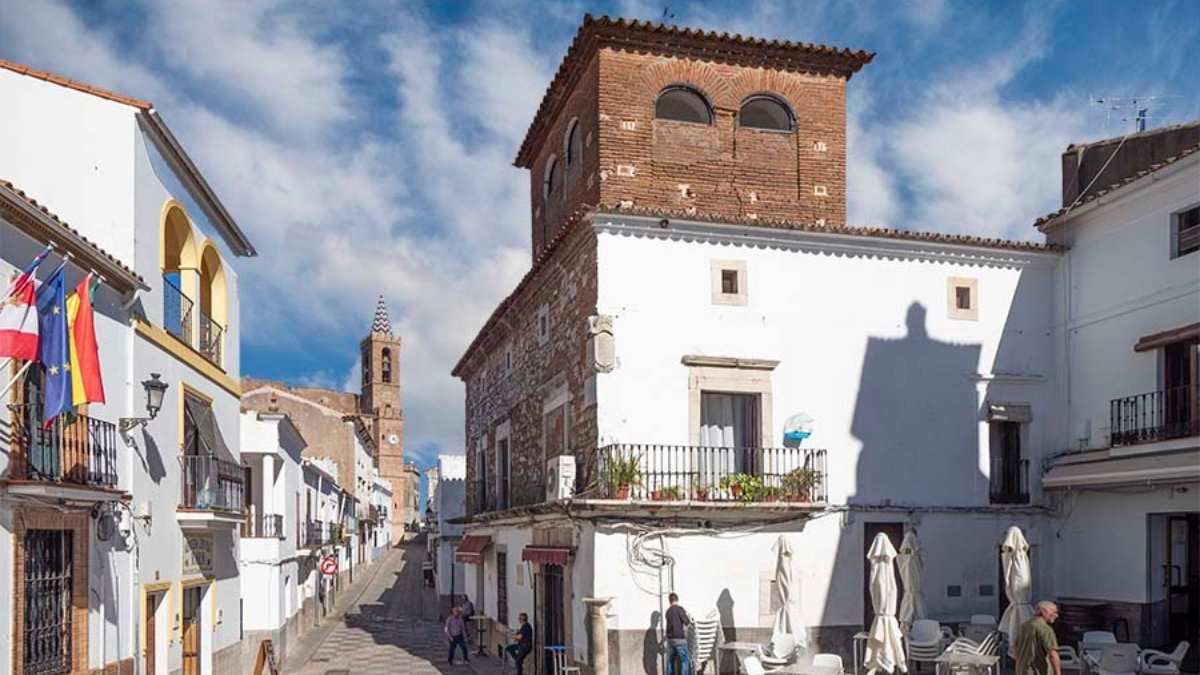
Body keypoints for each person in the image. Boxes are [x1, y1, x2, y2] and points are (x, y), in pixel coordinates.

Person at [1015, 601, 1062, 675]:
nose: (1056, 615)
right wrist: (1058, 673)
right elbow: (1053, 654)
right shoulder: (1045, 629)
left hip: (1022, 670)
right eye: (1054, 612)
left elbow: (1016, 647)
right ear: (1044, 612)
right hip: (1037, 671)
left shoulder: (1024, 626)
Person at [664, 592, 692, 675]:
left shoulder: (668, 611)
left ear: (670, 601)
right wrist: (688, 617)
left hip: (670, 640)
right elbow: (686, 621)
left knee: (670, 661)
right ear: (677, 599)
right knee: (684, 660)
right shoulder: (679, 609)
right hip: (680, 639)